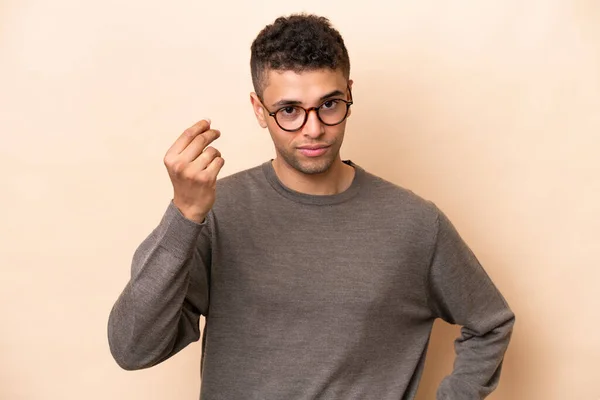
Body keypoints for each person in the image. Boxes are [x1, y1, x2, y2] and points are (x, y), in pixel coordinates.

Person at [108, 13, 515, 400]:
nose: (314, 128)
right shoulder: (216, 213)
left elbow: (491, 323)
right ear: (258, 110)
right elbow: (133, 347)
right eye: (289, 111)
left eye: (330, 104)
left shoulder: (415, 224)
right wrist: (184, 214)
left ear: (350, 93)